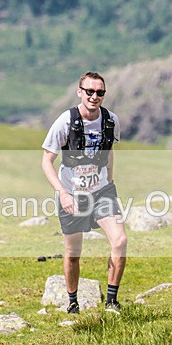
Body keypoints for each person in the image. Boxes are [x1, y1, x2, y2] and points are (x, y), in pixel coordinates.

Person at [41, 71, 127, 314]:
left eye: (100, 92)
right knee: (73, 253)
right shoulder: (65, 121)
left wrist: (110, 181)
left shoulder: (111, 120)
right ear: (80, 92)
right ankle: (73, 302)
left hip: (102, 192)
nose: (94, 96)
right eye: (89, 91)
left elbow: (109, 151)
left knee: (120, 241)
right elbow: (46, 161)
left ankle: (111, 301)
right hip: (72, 194)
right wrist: (62, 194)